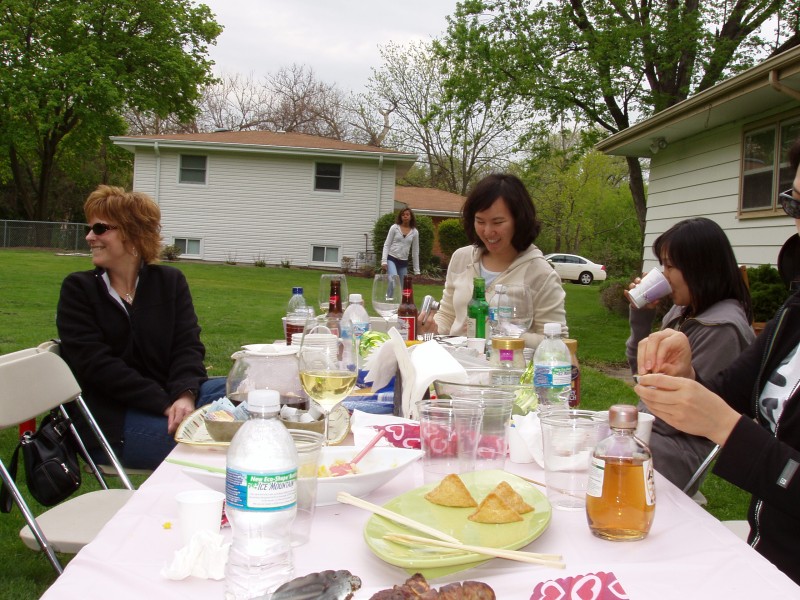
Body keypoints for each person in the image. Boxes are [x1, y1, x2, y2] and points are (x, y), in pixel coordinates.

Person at [634, 137, 800, 585]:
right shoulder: (795, 311)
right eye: (796, 205)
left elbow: (719, 419)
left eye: (671, 265)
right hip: (764, 559)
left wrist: (725, 427)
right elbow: (726, 393)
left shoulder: (724, 324)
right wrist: (686, 373)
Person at [56, 185, 225, 470]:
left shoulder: (169, 282)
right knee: (219, 444)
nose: (89, 236)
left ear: (133, 233)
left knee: (247, 392)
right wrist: (165, 403)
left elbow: (187, 346)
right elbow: (98, 367)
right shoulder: (79, 289)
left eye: (100, 228)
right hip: (111, 421)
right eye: (90, 228)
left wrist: (185, 394)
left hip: (172, 398)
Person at [625, 218, 755, 496]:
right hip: (648, 433)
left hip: (675, 453)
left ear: (700, 267)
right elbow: (642, 375)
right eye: (663, 266)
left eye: (670, 266)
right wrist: (641, 319)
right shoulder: (684, 312)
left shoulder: (722, 330)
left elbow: (675, 416)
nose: (664, 275)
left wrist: (625, 430)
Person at [426, 173, 567, 348]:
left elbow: (557, 341)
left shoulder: (541, 274)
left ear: (519, 220)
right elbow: (447, 315)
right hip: (457, 361)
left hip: (508, 363)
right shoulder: (462, 258)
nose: (487, 231)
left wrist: (498, 333)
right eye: (480, 221)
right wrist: (432, 327)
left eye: (498, 222)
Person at [381, 207, 421, 282]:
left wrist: (417, 270)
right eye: (403, 215)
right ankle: (391, 290)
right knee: (393, 280)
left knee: (402, 286)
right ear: (400, 217)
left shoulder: (415, 232)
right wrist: (384, 261)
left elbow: (415, 251)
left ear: (411, 217)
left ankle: (391, 291)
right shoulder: (394, 228)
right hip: (392, 258)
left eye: (407, 214)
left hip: (403, 262)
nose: (405, 216)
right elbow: (387, 244)